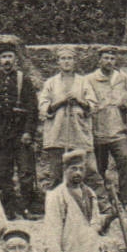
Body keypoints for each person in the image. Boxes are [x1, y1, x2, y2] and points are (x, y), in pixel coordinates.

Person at [0, 40, 39, 218]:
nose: (7, 60)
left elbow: (33, 109)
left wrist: (29, 132)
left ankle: (27, 208)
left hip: (20, 133)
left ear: (15, 59)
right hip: (0, 134)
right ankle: (9, 210)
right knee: (2, 173)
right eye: (3, 57)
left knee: (26, 173)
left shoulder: (24, 80)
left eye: (10, 56)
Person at [83, 46, 127, 212]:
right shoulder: (89, 79)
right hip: (97, 132)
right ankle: (102, 203)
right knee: (98, 168)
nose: (109, 61)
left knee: (125, 162)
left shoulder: (122, 78)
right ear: (99, 60)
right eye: (106, 58)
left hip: (119, 131)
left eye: (112, 58)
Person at [38, 49, 95, 187]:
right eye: (63, 58)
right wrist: (60, 102)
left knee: (85, 172)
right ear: (58, 62)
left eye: (70, 58)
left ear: (74, 61)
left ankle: (85, 204)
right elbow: (43, 106)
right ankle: (56, 205)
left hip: (78, 133)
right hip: (57, 135)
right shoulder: (51, 83)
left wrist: (80, 101)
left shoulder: (83, 82)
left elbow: (93, 105)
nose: (67, 61)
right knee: (56, 174)